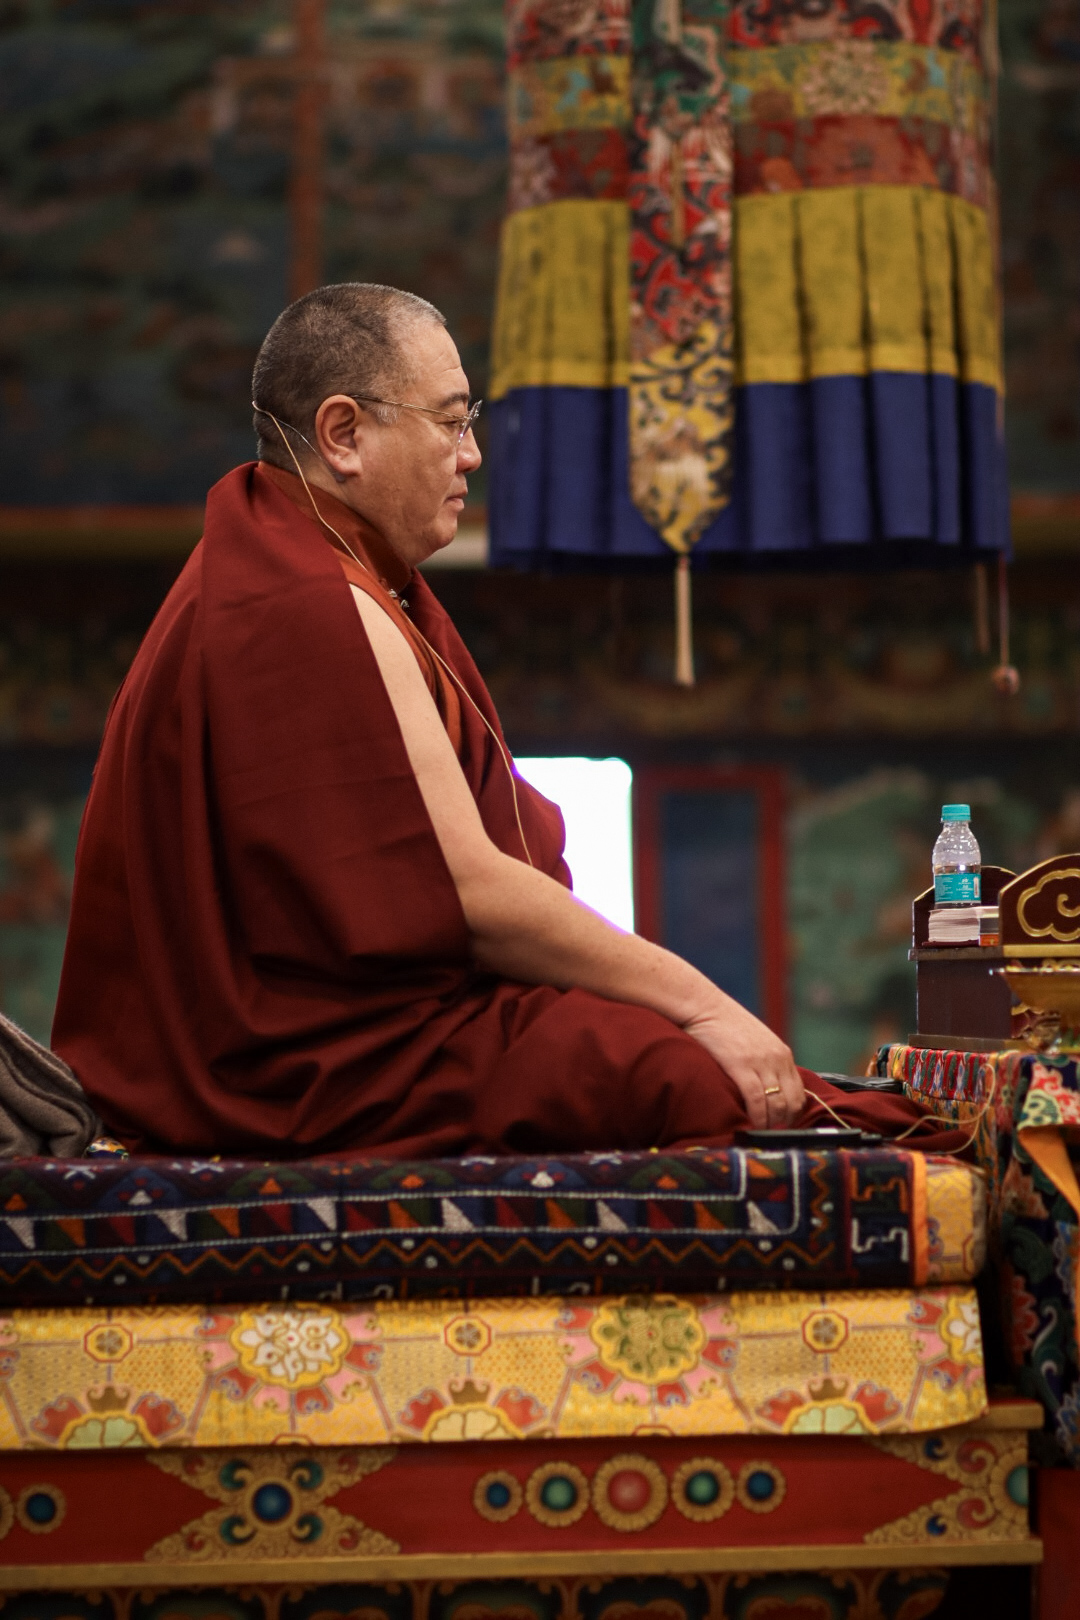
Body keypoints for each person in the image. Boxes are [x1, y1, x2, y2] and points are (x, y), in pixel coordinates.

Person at [52, 284, 960, 1158]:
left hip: (348, 1030)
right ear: (343, 434)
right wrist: (705, 1004)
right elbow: (468, 893)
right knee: (683, 1075)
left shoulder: (305, 569)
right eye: (451, 422)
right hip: (314, 1064)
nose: (472, 455)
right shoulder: (304, 603)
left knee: (679, 1053)